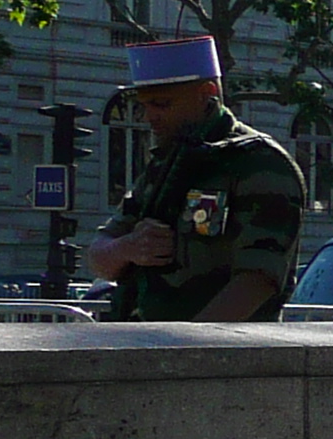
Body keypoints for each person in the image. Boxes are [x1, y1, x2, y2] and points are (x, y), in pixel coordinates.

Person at [83, 35, 308, 322]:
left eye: (162, 104)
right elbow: (99, 256)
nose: (150, 117)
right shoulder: (166, 162)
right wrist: (129, 247)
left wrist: (186, 348)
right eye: (144, 106)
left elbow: (257, 282)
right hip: (145, 344)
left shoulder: (260, 164)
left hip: (219, 356)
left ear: (207, 92)